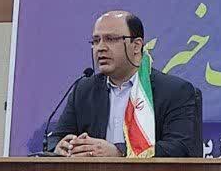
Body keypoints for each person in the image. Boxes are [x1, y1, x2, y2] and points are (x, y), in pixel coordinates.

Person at [50, 10, 202, 158]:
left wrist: (120, 152)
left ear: (136, 45)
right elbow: (54, 139)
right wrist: (62, 146)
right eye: (96, 41)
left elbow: (180, 147)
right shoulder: (83, 90)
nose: (100, 48)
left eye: (111, 39)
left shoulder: (175, 91)